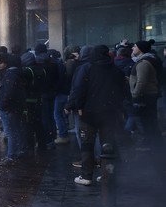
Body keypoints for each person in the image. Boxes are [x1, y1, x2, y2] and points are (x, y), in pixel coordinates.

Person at [66, 45, 128, 185]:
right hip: (109, 113)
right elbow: (123, 91)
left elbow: (78, 89)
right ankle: (107, 174)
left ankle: (87, 175)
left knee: (87, 144)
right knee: (107, 144)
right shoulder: (116, 70)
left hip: (89, 113)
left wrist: (79, 106)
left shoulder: (86, 68)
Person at [129, 40, 162, 151]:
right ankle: (154, 141)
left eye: (135, 46)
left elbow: (141, 81)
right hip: (149, 94)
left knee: (146, 120)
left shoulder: (143, 63)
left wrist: (135, 93)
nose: (133, 48)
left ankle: (151, 142)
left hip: (145, 96)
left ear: (141, 49)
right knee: (149, 120)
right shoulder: (147, 60)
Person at [0, 53, 28, 165]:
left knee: (10, 132)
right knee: (16, 130)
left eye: (1, 62)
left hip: (9, 108)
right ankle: (20, 151)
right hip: (16, 107)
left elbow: (8, 93)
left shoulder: (10, 75)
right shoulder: (18, 73)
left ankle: (11, 156)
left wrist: (2, 105)